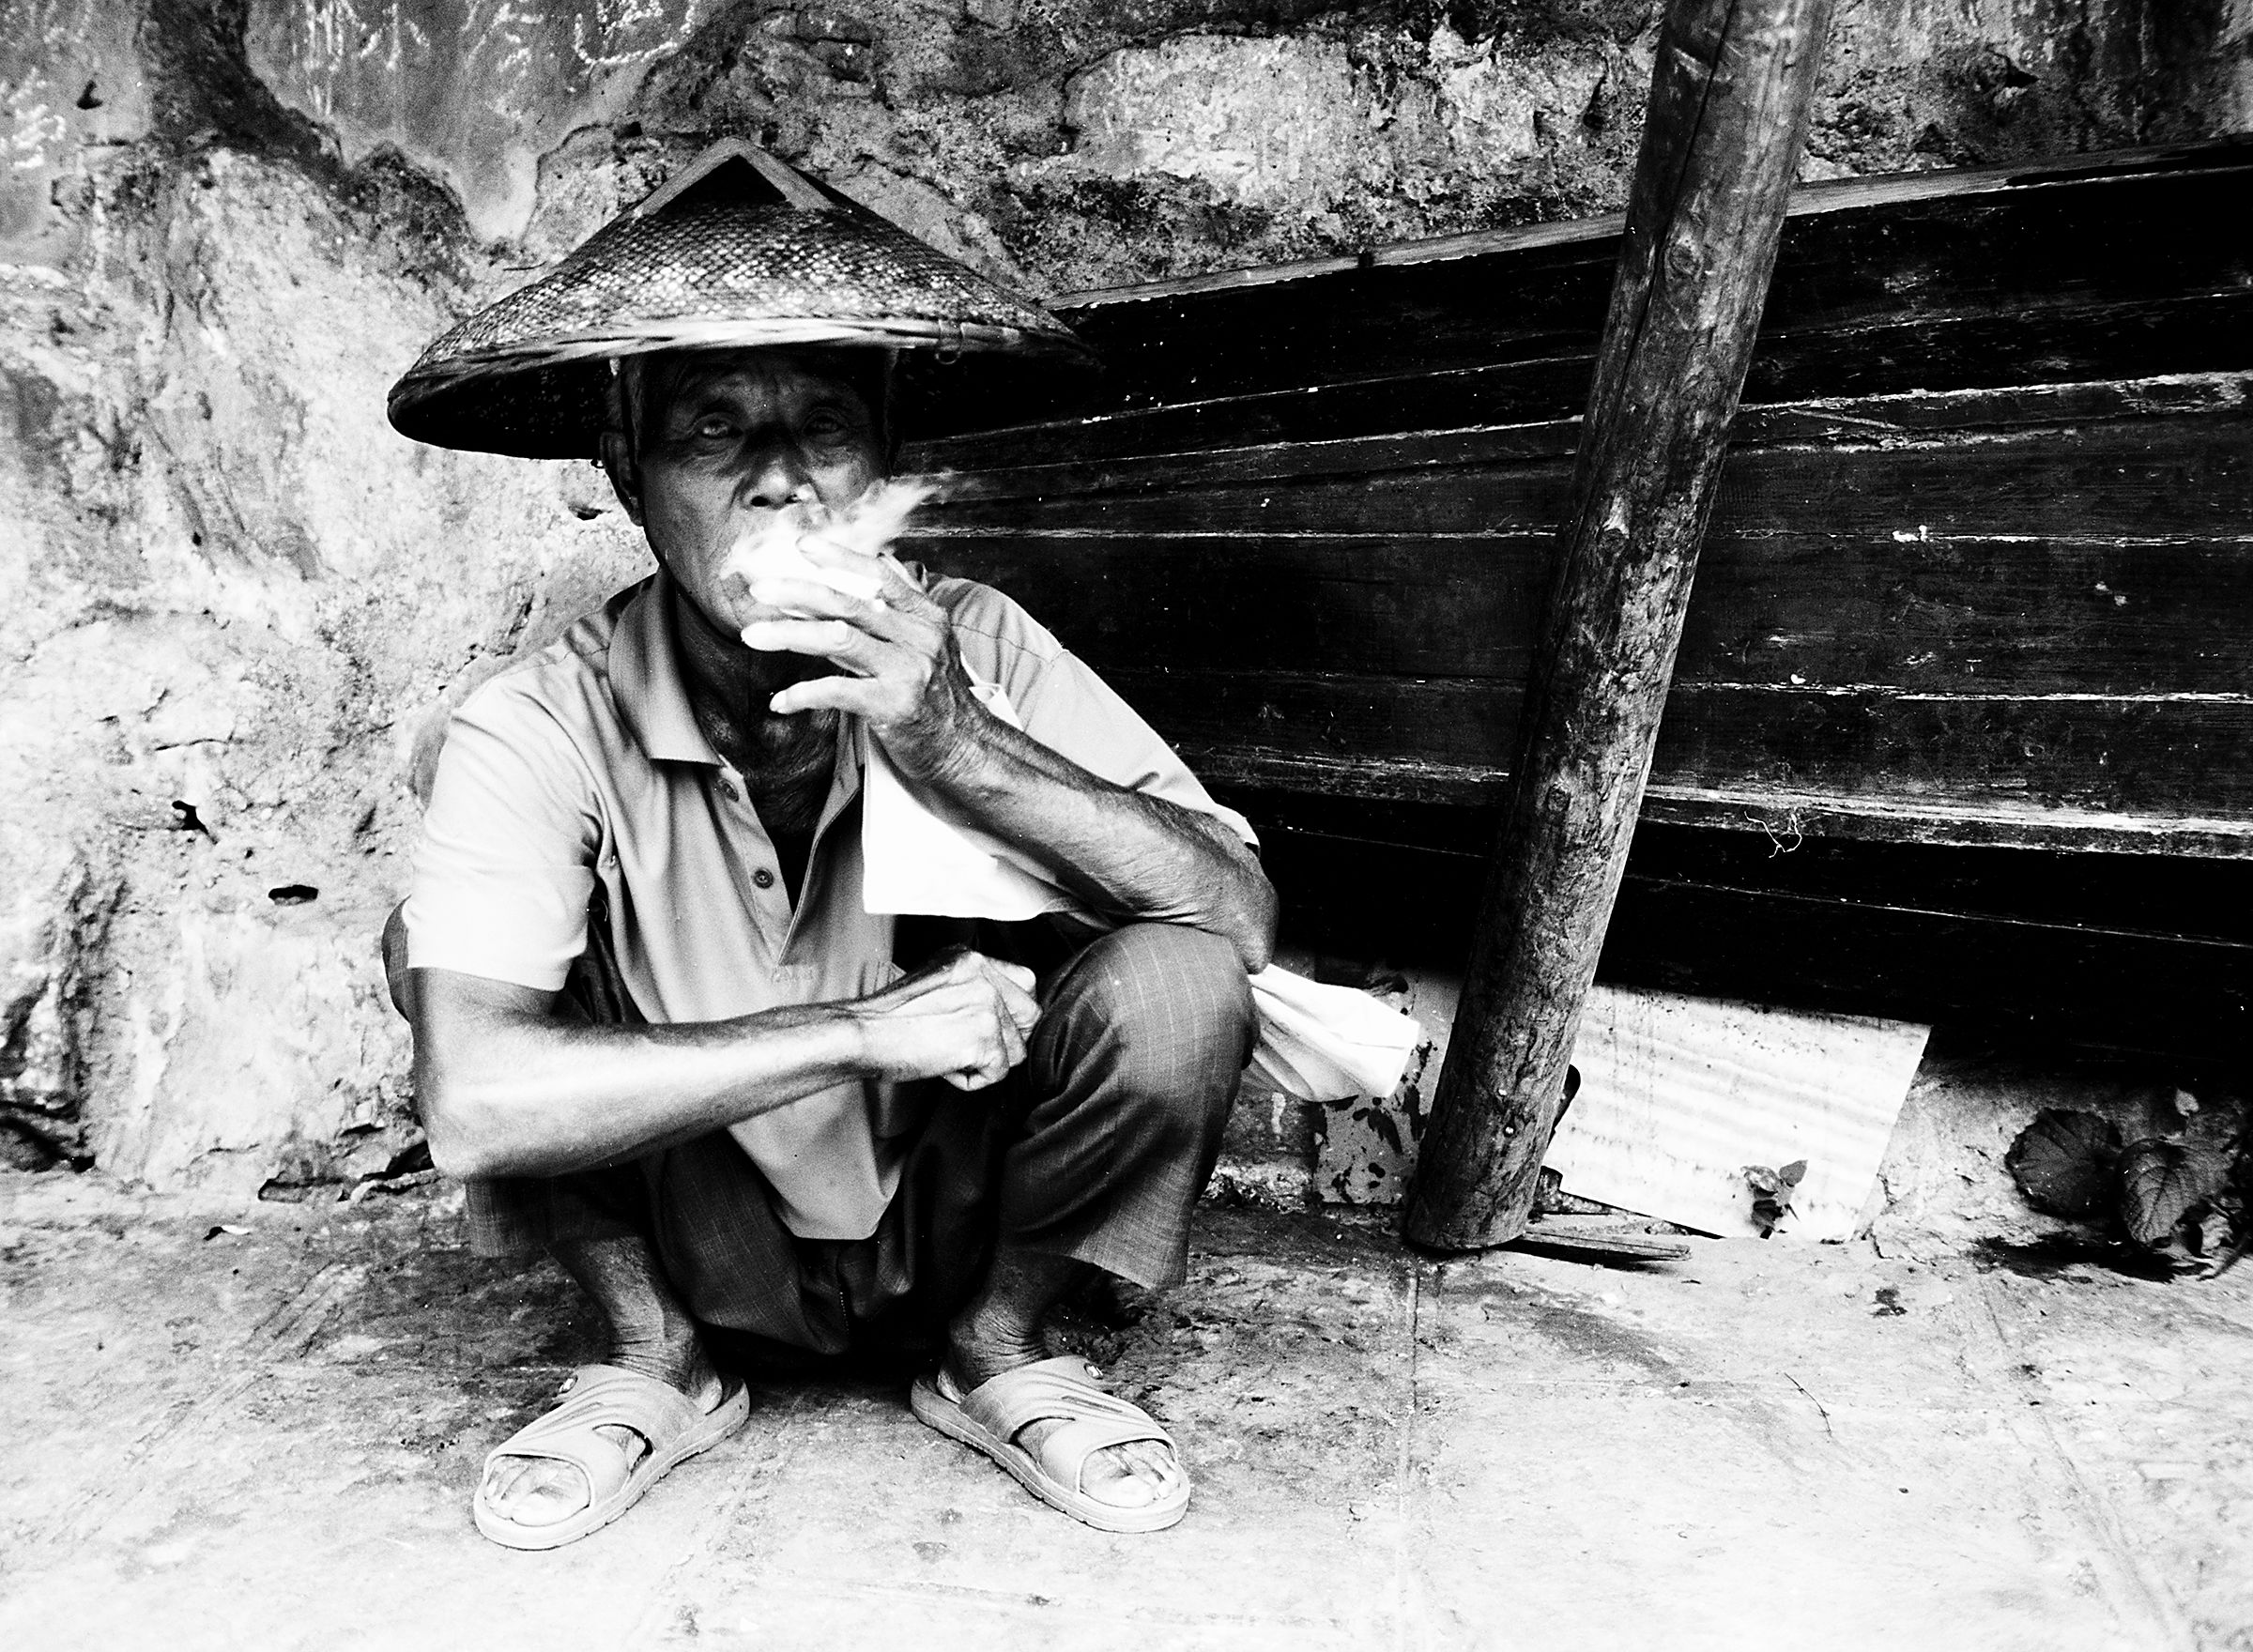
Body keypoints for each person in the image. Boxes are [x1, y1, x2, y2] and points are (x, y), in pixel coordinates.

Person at [383, 141, 1278, 1548]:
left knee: (1176, 978)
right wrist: (863, 1030)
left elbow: (1236, 920)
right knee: (445, 962)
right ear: (629, 475)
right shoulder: (541, 716)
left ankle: (1000, 1350)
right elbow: (476, 1105)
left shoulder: (970, 646)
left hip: (958, 1206)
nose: (782, 483)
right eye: (713, 430)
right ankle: (651, 1354)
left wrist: (960, 743)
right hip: (705, 1220)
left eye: (826, 431)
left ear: (886, 470)